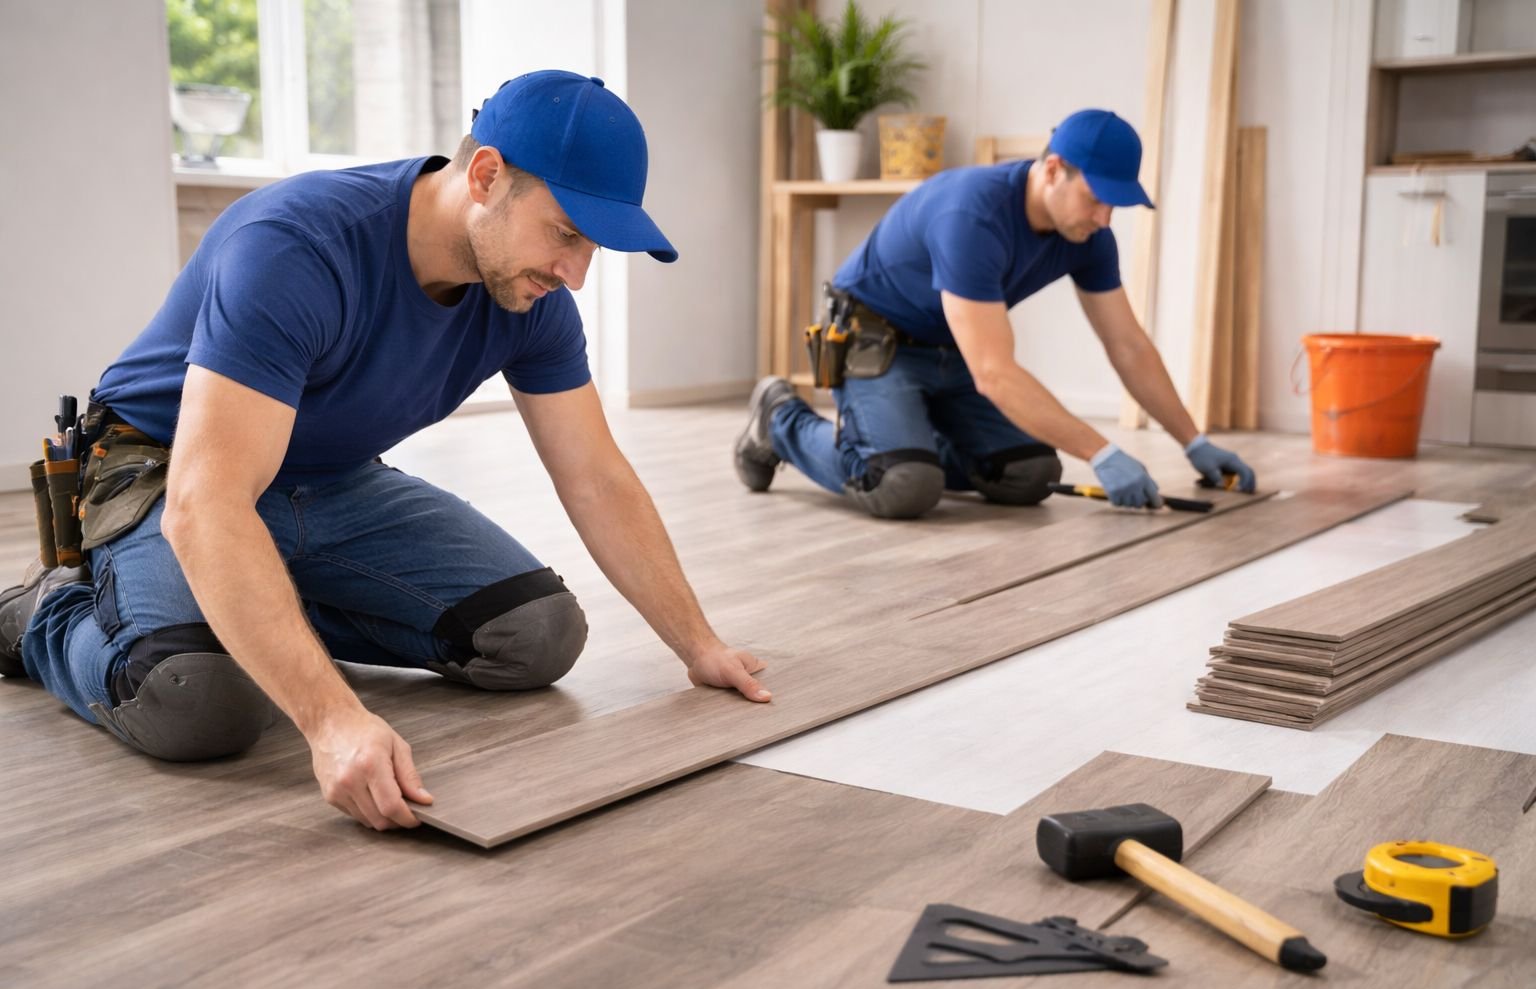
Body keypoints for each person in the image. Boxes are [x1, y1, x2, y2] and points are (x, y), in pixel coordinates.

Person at [0, 71, 769, 833]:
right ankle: (49, 613)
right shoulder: (298, 247)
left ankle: (261, 613)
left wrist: (698, 644)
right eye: (566, 233)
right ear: (485, 175)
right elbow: (207, 505)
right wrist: (334, 721)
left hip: (329, 481)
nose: (574, 273)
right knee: (197, 701)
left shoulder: (530, 299)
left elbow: (597, 478)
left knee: (537, 636)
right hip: (170, 472)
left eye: (591, 247)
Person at [734, 109, 1256, 519]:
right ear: (1053, 170)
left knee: (1029, 474)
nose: (1105, 217)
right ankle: (779, 417)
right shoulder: (972, 215)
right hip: (877, 339)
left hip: (949, 350)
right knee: (902, 485)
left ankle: (908, 439)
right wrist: (1101, 452)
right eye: (1098, 198)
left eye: (1115, 205)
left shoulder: (1089, 236)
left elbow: (1129, 346)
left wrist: (1195, 442)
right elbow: (994, 373)